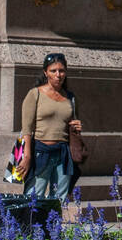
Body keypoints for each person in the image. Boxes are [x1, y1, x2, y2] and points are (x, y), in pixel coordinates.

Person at [18, 53, 83, 202]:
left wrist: (77, 127)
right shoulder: (35, 94)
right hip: (40, 152)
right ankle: (31, 225)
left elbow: (72, 124)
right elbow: (27, 129)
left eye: (61, 71)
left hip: (63, 154)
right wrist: (27, 156)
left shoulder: (70, 97)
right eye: (53, 71)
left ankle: (54, 226)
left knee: (58, 200)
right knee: (34, 197)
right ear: (45, 72)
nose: (58, 75)